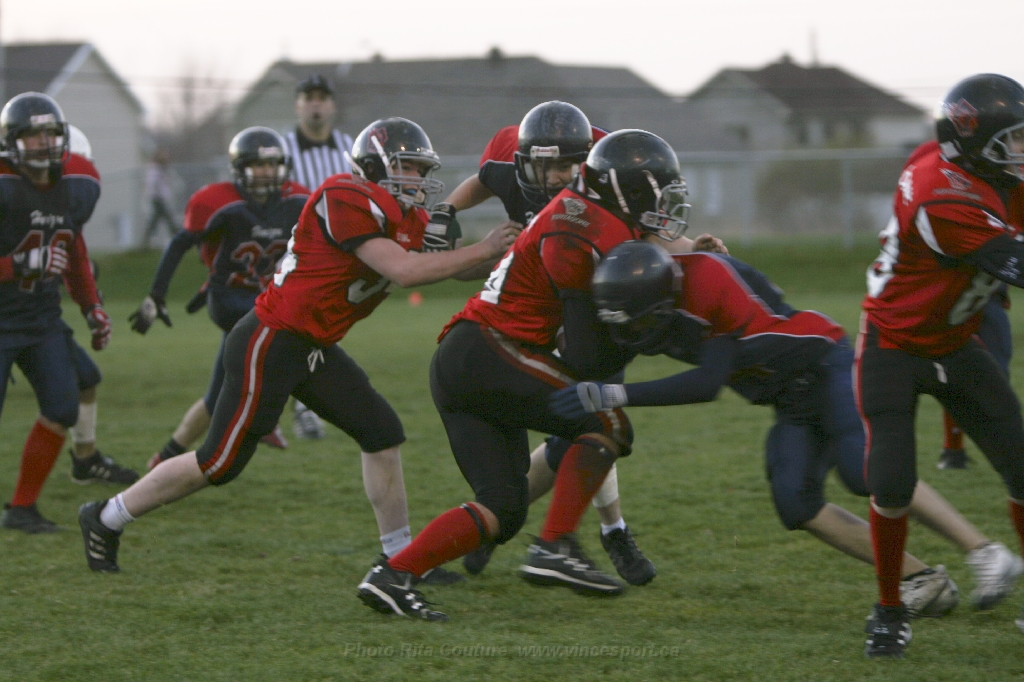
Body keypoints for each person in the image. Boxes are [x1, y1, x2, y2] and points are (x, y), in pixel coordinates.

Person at [78, 118, 519, 587]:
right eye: (407, 167)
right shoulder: (344, 195)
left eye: (420, 169)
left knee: (381, 432)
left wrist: (510, 252)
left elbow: (450, 267)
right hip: (272, 339)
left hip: (312, 345)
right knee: (218, 463)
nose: (417, 179)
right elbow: (406, 271)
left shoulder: (407, 217)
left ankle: (398, 560)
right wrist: (483, 248)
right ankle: (105, 517)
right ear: (374, 166)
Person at [551, 240, 1024, 622]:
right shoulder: (651, 289)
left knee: (865, 470)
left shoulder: (708, 282)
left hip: (827, 366)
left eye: (643, 320)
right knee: (795, 501)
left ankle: (985, 552)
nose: (637, 333)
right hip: (789, 397)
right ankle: (922, 579)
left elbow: (707, 383)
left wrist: (613, 394)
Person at [356, 129, 695, 622]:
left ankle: (392, 575)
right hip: (489, 350)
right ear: (628, 191)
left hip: (468, 359)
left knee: (505, 507)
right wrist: (650, 333)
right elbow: (585, 359)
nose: (662, 203)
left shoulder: (591, 214)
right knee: (607, 420)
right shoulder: (579, 227)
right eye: (656, 191)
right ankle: (555, 545)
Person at [856, 73, 1024, 658]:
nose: (1022, 150)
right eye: (1015, 139)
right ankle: (888, 608)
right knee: (892, 482)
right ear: (978, 143)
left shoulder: (980, 169)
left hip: (953, 340)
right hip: (894, 344)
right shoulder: (944, 195)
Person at [130, 127, 310, 468]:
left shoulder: (298, 200)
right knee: (281, 339)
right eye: (257, 165)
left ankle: (167, 456)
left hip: (264, 300)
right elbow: (179, 244)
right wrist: (157, 294)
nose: (266, 172)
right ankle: (265, 418)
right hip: (228, 297)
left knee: (219, 396)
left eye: (272, 164)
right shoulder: (219, 201)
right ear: (240, 168)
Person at [0, 93, 134, 533]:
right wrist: (18, 265)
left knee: (62, 407)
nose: (43, 143)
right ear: (11, 143)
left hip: (40, 318)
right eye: (32, 135)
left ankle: (22, 508)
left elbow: (72, 248)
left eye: (51, 133)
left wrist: (91, 306)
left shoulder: (77, 184)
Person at [281, 73, 355, 442]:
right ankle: (301, 408)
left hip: (337, 252)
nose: (315, 103)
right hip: (289, 251)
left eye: (321, 97)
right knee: (295, 329)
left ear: (332, 105)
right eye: (308, 97)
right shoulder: (281, 149)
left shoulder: (348, 147)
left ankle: (304, 406)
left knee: (321, 329)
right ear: (297, 105)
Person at [937, 294, 1012, 469]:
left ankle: (1008, 454)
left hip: (986, 298)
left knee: (997, 378)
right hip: (954, 298)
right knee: (954, 374)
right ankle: (953, 450)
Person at [142, 149, 180, 249]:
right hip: (157, 198)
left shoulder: (162, 170)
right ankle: (179, 237)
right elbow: (153, 184)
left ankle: (146, 241)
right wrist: (158, 194)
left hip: (160, 198)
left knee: (156, 219)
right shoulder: (155, 170)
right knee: (168, 218)